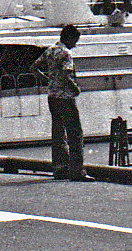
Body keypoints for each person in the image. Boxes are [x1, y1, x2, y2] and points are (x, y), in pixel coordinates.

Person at [30, 24, 88, 180]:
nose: (75, 44)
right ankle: (77, 171)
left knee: (58, 132)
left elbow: (34, 67)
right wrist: (76, 88)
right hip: (65, 98)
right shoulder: (66, 54)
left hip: (52, 97)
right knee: (75, 133)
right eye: (75, 40)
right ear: (69, 38)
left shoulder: (50, 51)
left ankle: (60, 169)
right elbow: (66, 75)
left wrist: (48, 80)